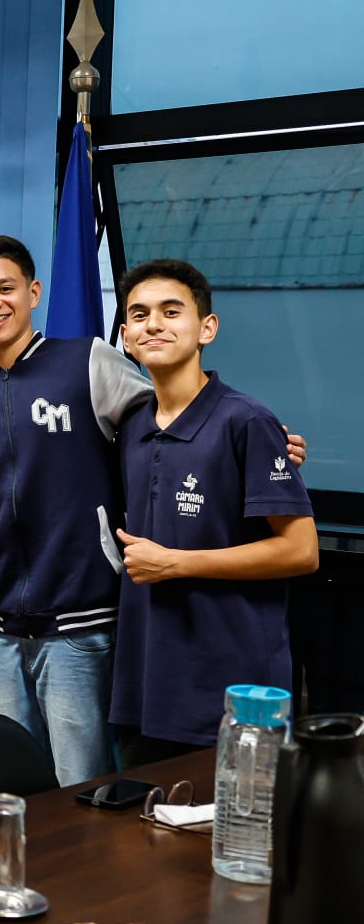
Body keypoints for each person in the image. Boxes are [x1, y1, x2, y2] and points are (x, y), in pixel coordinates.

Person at [0, 235, 305, 785]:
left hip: (80, 624)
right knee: (16, 792)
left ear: (34, 293)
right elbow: (158, 426)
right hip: (2, 631)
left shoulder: (87, 361)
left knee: (85, 793)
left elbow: (189, 411)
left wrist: (273, 444)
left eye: (5, 288)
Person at [110, 258, 317, 765]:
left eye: (170, 311)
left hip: (233, 690)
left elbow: (302, 550)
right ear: (126, 336)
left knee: (225, 838)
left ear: (207, 328)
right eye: (138, 315)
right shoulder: (131, 424)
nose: (153, 323)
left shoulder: (247, 421)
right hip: (146, 686)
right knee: (142, 835)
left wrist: (178, 563)